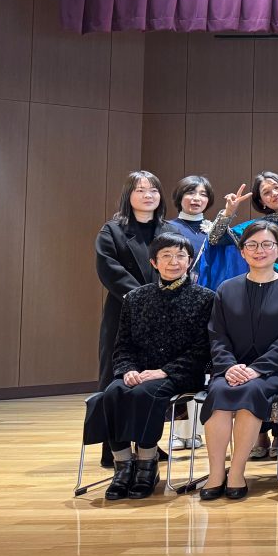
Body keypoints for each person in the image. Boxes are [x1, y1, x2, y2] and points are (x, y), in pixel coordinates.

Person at [100, 232, 215, 501]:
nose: (174, 262)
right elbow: (123, 345)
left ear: (189, 261)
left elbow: (203, 349)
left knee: (146, 393)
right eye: (166, 256)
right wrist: (128, 369)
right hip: (139, 372)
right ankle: (123, 466)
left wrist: (165, 371)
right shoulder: (135, 298)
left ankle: (147, 465)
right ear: (154, 262)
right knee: (112, 392)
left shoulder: (205, 298)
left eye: (180, 256)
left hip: (181, 373)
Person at [199, 221, 278, 501]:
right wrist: (228, 366)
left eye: (267, 244)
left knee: (250, 391)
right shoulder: (226, 288)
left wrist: (257, 369)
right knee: (219, 392)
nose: (260, 250)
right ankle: (215, 473)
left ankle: (236, 472)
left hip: (276, 369)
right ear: (242, 251)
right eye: (252, 245)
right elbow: (217, 335)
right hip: (231, 368)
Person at [96, 171, 180, 392]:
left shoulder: (170, 231)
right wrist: (143, 299)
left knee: (156, 378)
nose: (148, 195)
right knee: (117, 373)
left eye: (153, 190)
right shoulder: (112, 230)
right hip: (124, 309)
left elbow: (179, 267)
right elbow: (109, 269)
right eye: (140, 190)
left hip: (164, 311)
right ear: (128, 195)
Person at [208, 171, 278, 278]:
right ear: (262, 202)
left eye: (277, 187)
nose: (274, 193)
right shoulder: (258, 227)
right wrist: (228, 212)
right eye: (266, 192)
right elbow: (214, 239)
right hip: (270, 283)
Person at [168, 175, 215, 262]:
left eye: (203, 194)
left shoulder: (215, 231)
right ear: (179, 197)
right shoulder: (166, 227)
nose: (197, 198)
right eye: (190, 193)